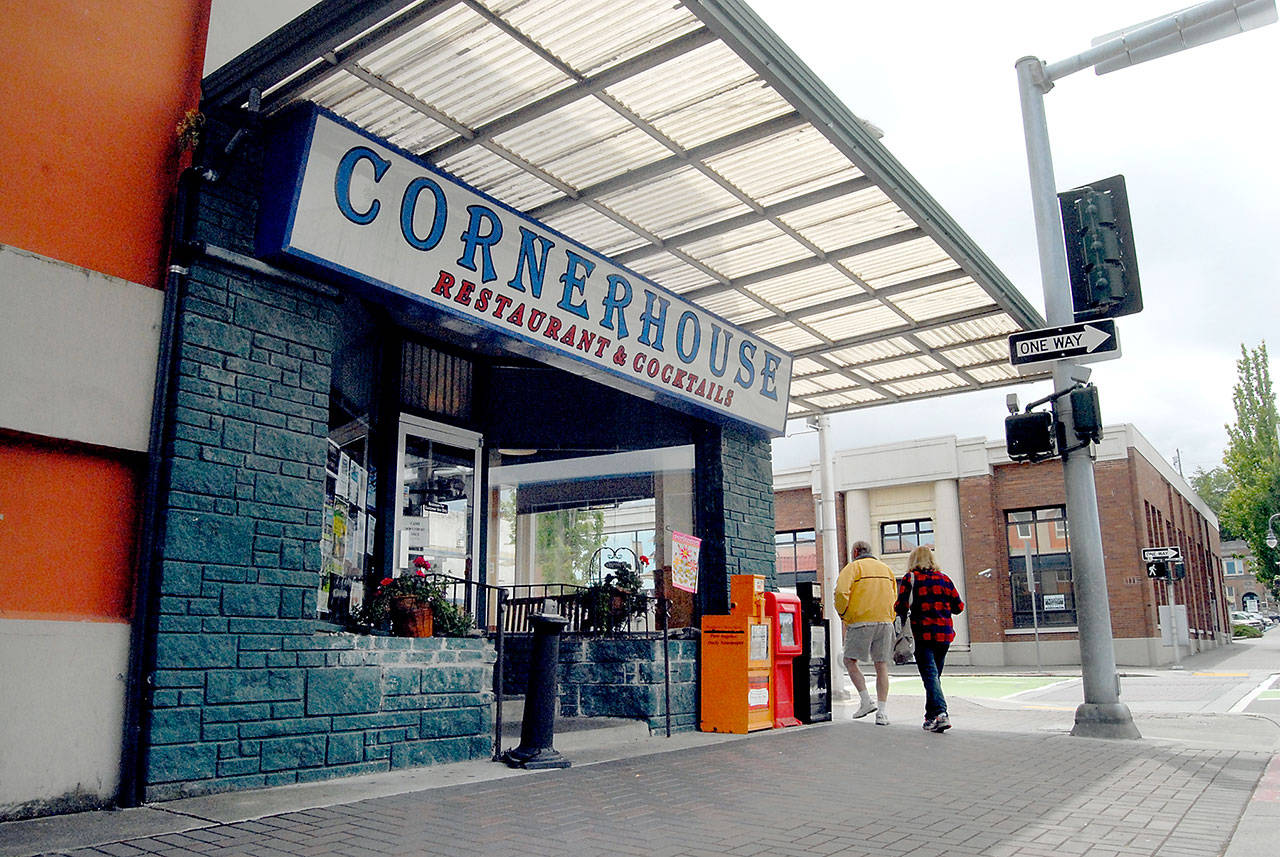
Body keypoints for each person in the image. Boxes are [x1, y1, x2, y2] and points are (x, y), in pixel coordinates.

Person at [896, 545, 965, 733]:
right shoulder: (945, 579)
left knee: (930, 676)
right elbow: (959, 607)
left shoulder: (910, 579)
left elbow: (900, 607)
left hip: (922, 635)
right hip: (944, 635)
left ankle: (941, 714)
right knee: (934, 676)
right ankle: (929, 717)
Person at [833, 539, 897, 725]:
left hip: (861, 621)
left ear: (855, 552)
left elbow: (841, 593)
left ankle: (866, 701)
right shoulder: (886, 569)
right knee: (881, 666)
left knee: (849, 661)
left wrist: (845, 615)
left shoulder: (853, 568)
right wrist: (889, 616)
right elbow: (894, 596)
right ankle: (882, 713)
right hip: (885, 622)